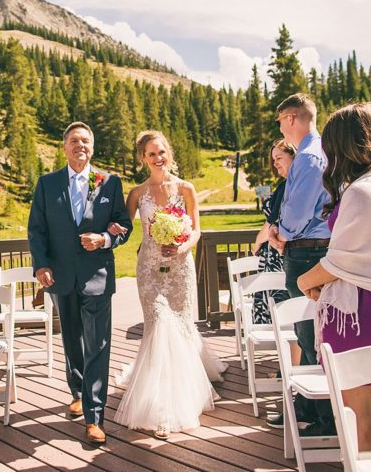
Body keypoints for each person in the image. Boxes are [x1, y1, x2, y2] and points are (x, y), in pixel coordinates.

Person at [297, 102, 371, 451]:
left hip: (355, 314)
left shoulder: (363, 191)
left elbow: (342, 259)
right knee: (370, 414)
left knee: (358, 414)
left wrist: (305, 281)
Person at [113, 130, 227, 439]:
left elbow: (197, 231)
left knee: (179, 324)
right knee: (158, 324)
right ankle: (160, 404)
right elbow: (123, 228)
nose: (158, 157)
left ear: (169, 153)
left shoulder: (186, 188)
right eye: (151, 154)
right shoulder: (137, 193)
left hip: (180, 267)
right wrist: (105, 227)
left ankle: (185, 391)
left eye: (161, 151)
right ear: (143, 159)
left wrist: (181, 247)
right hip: (149, 269)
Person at [28, 122, 132, 445]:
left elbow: (124, 226)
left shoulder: (110, 183)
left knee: (98, 345)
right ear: (64, 147)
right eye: (74, 141)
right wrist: (41, 265)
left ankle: (95, 416)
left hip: (97, 276)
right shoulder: (47, 184)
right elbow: (37, 229)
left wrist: (103, 239)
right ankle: (77, 391)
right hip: (61, 276)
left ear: (92, 148)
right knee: (72, 341)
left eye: (86, 141)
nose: (80, 145)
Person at [268, 92, 334, 436]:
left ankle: (325, 421)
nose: (280, 126)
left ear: (291, 118)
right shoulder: (321, 151)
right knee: (307, 333)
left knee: (310, 335)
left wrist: (281, 233)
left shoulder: (309, 158)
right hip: (311, 248)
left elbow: (297, 209)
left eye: (280, 120)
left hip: (306, 251)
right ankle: (306, 409)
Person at [251, 139, 296, 325]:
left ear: (294, 156)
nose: (275, 163)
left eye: (279, 158)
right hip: (276, 252)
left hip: (277, 256)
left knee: (281, 305)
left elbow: (271, 223)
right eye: (273, 160)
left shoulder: (288, 186)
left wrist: (256, 243)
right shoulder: (288, 185)